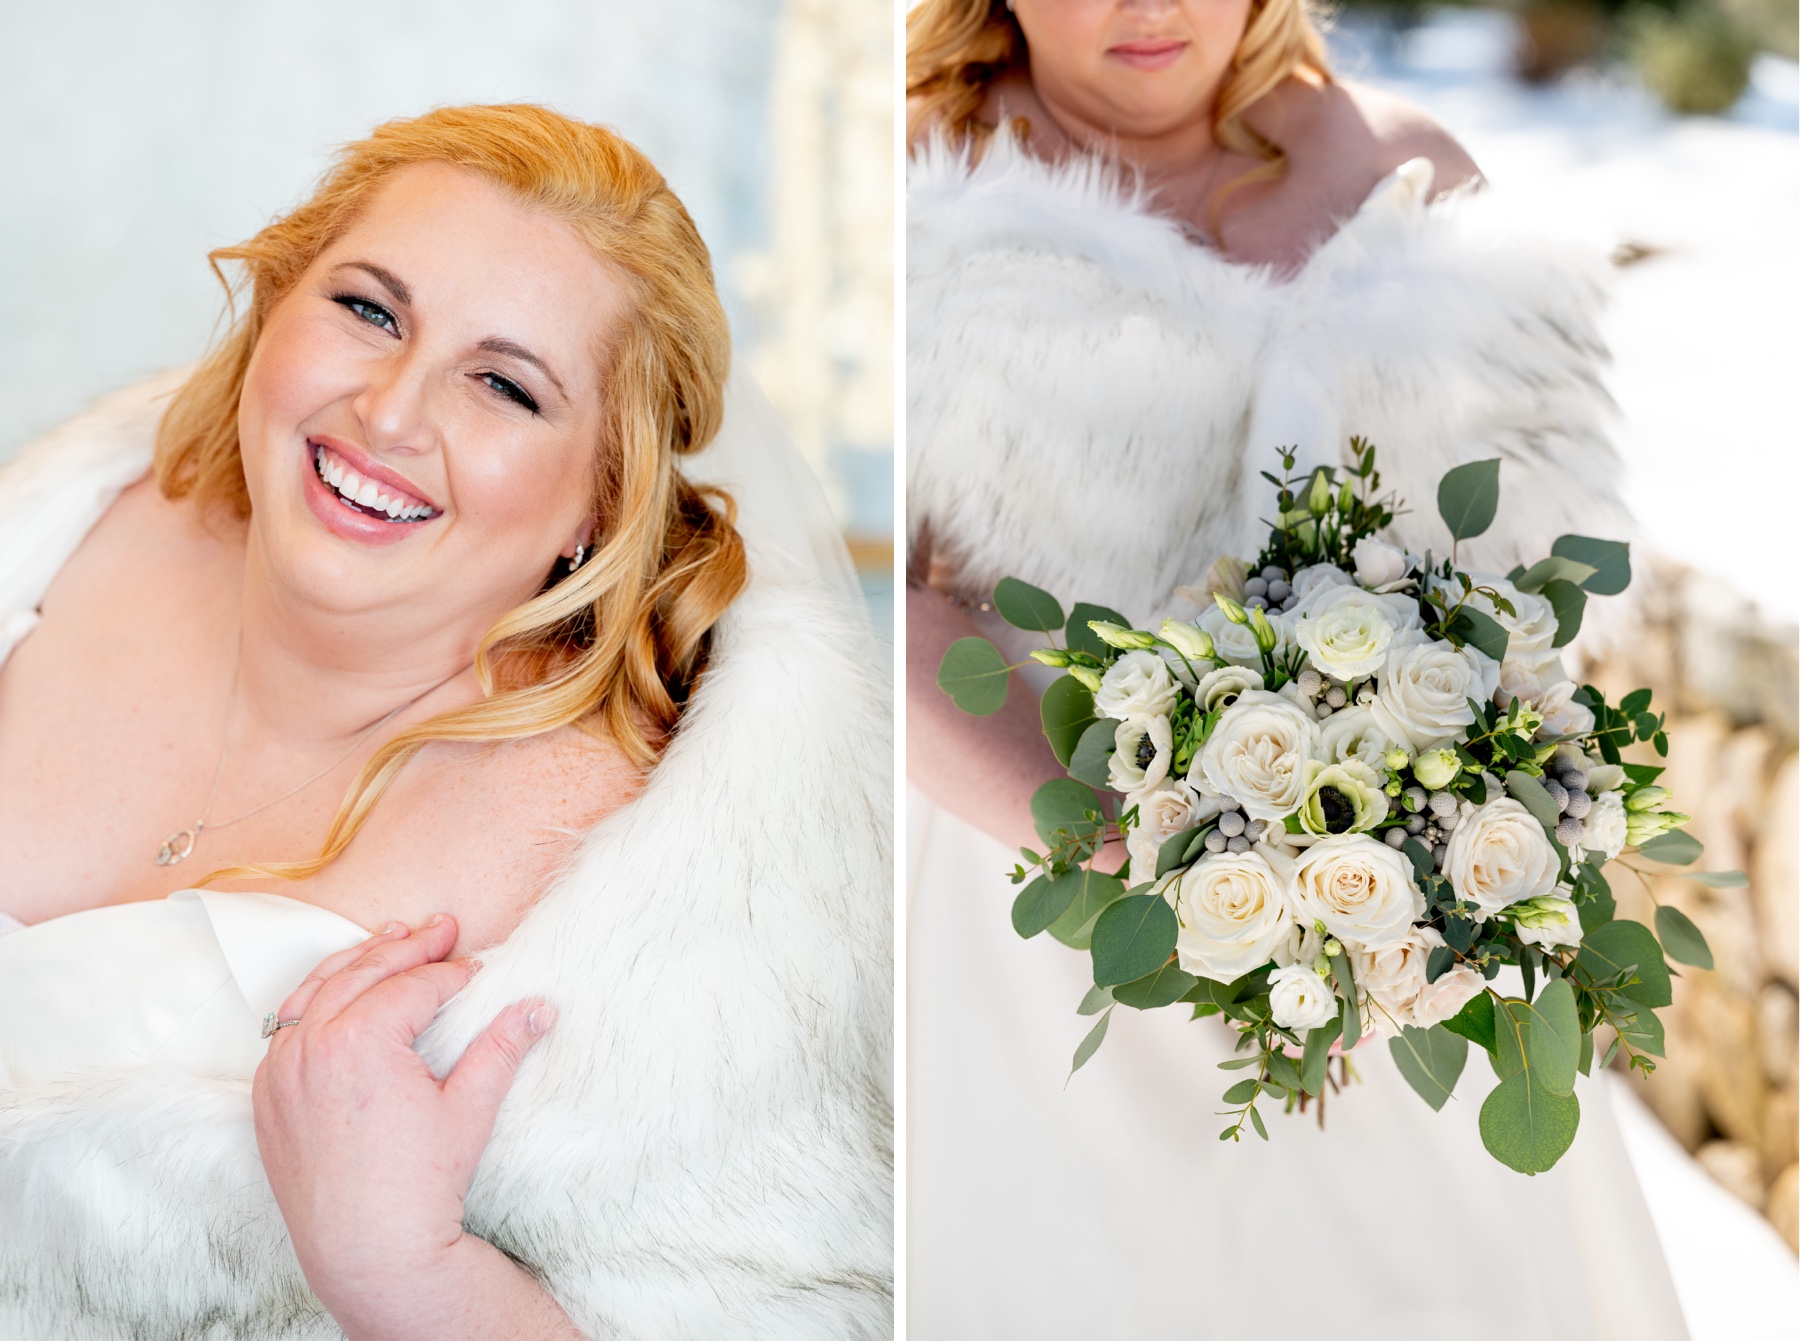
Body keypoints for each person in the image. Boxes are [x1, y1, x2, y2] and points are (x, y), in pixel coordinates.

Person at [0, 105, 891, 1340]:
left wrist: (405, 1272)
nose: (390, 411)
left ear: (602, 495)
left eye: (504, 385)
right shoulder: (66, 514)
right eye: (368, 310)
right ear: (275, 308)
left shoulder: (665, 909)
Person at [905, 2, 1688, 1336]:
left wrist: (1450, 864)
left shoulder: (1421, 180)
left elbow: (1527, 609)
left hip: (1398, 929)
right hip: (1045, 905)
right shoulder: (919, 200)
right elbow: (879, 608)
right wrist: (1149, 861)